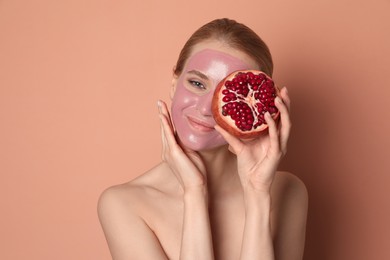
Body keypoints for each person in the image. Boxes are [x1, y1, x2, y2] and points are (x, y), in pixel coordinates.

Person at [98, 18, 308, 260]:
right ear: (174, 83)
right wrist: (194, 192)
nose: (207, 109)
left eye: (230, 95)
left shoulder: (287, 192)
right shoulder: (124, 204)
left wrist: (257, 194)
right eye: (197, 83)